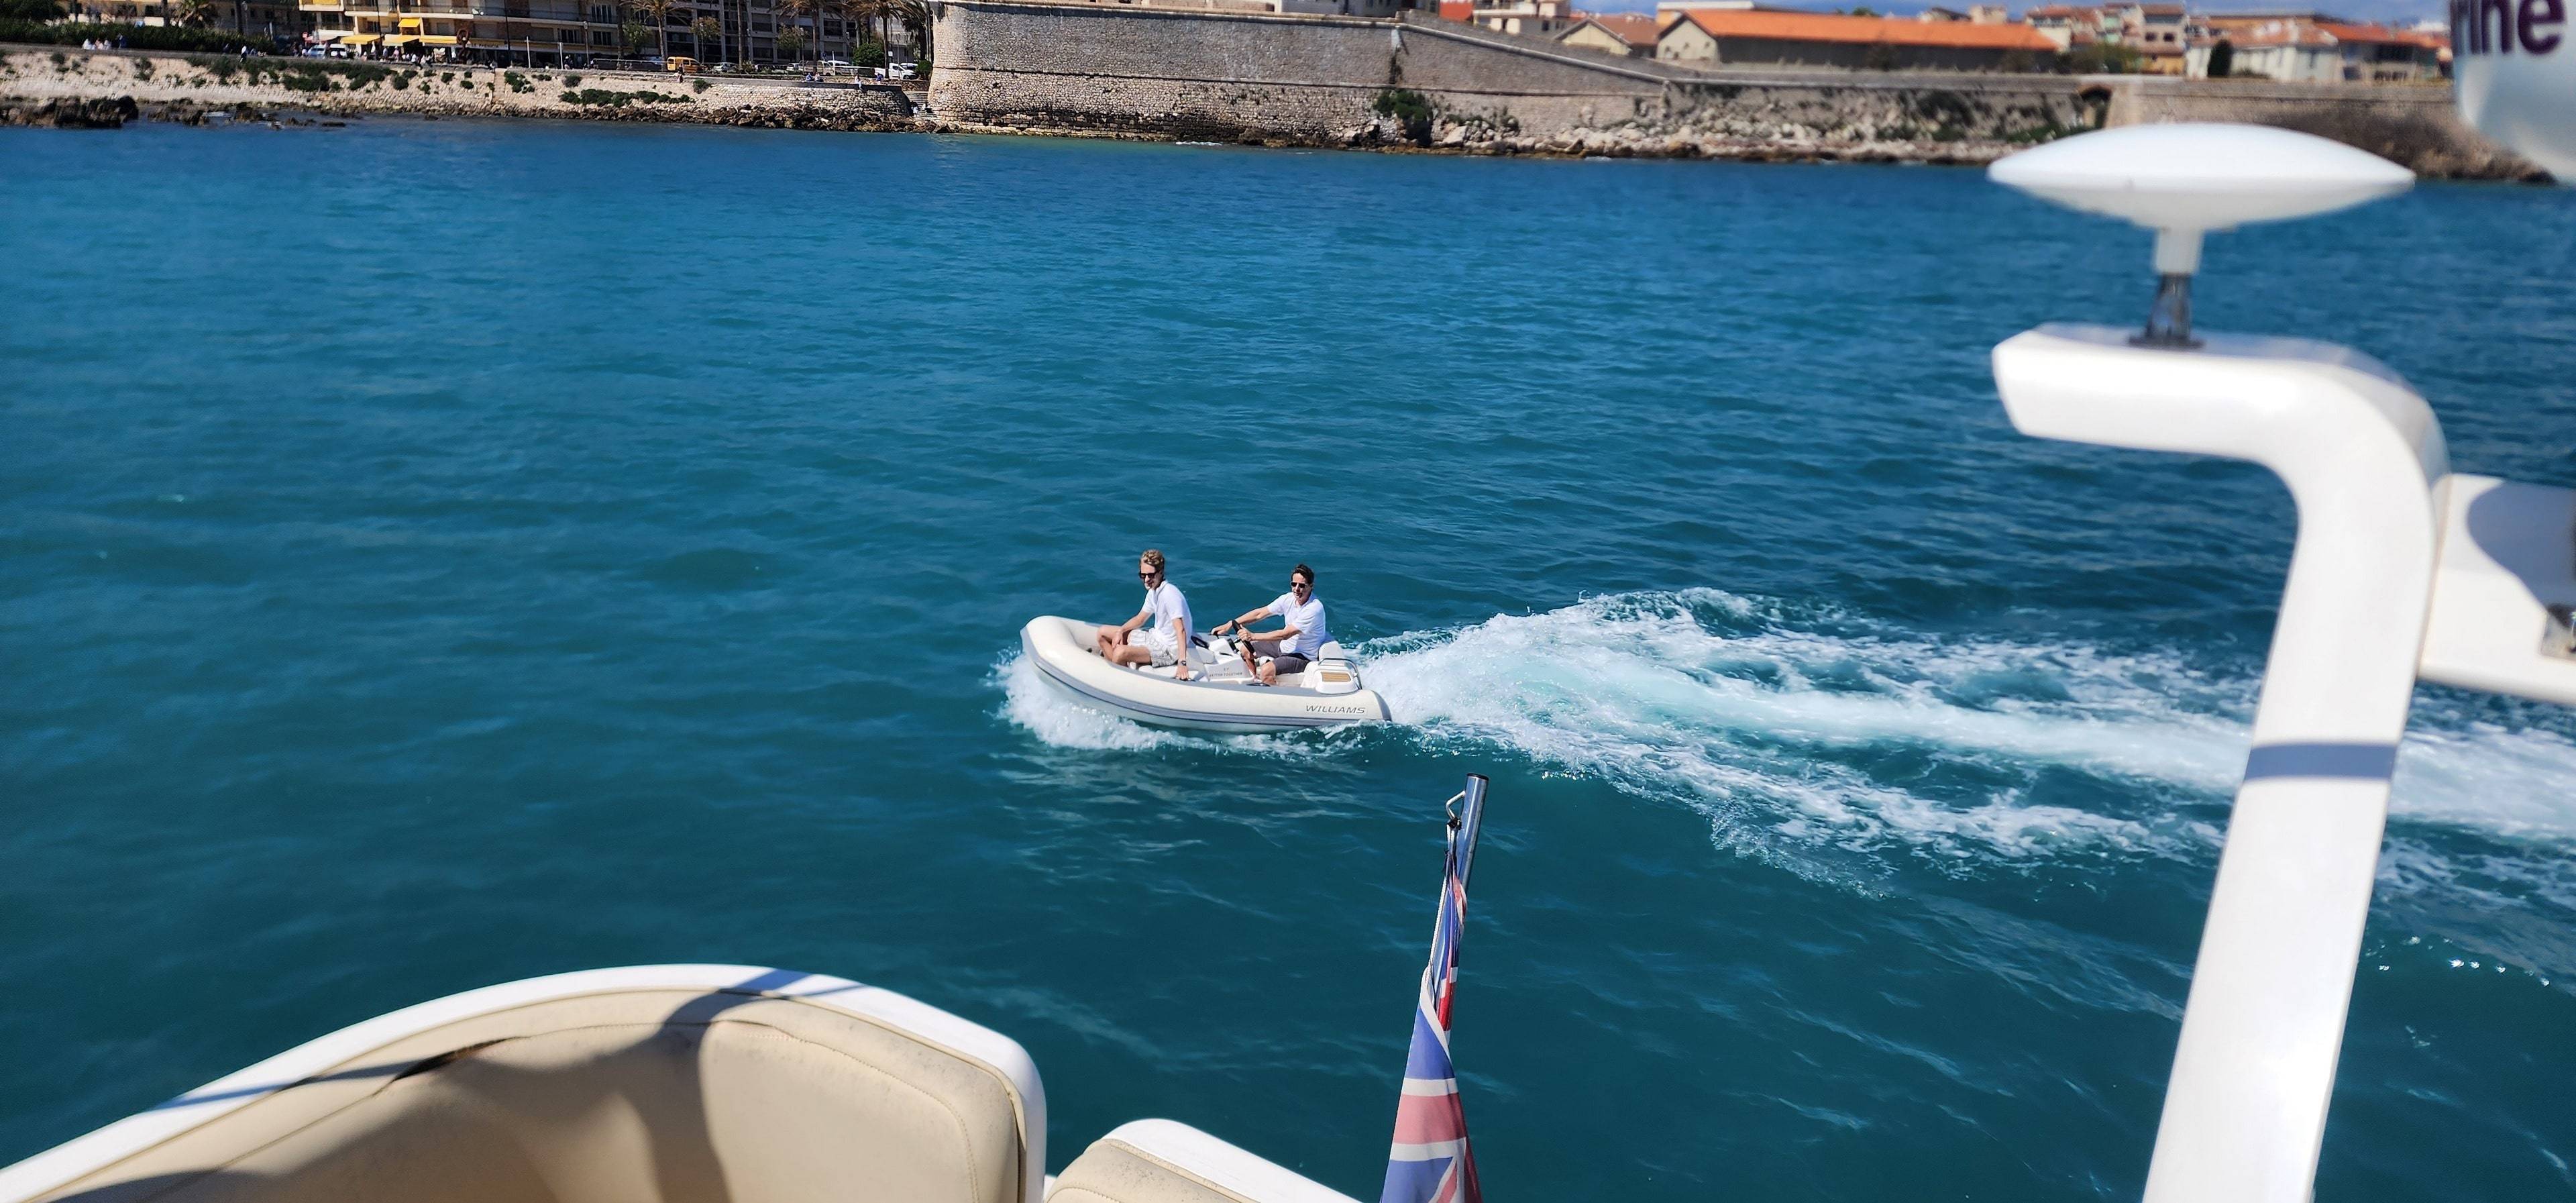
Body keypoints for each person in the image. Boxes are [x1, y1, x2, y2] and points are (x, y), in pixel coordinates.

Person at [1213, 563, 1327, 686]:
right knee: (1246, 650)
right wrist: (1230, 624)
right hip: (1284, 646)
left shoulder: (1314, 609)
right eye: (1294, 584)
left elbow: (1285, 635)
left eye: (1302, 585)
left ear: (1311, 586)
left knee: (1266, 671)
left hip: (1302, 656)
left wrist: (1252, 636)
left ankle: (1276, 694)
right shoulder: (1288, 599)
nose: (1297, 589)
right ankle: (1253, 681)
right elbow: (1259, 614)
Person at [1097, 548, 1195, 682]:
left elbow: (1180, 630)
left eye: (1151, 575)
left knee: (1120, 652)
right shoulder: (1153, 592)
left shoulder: (1169, 594)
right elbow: (1140, 619)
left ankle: (1117, 682)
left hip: (1168, 650)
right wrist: (1121, 631)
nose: (1147, 580)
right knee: (1102, 633)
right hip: (1155, 637)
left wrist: (1182, 663)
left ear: (1160, 573)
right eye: (1143, 576)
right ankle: (1120, 671)